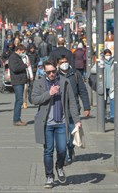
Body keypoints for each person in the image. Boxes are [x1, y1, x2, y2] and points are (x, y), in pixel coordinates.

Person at [30, 60, 81, 189]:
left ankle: (59, 166)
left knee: (63, 149)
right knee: (48, 151)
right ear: (44, 72)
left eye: (53, 71)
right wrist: (49, 93)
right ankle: (49, 176)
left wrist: (77, 120)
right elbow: (34, 99)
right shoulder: (39, 83)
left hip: (61, 122)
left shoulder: (64, 82)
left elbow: (72, 103)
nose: (52, 74)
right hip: (46, 123)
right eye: (49, 72)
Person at [57, 55, 90, 164]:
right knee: (63, 134)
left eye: (66, 61)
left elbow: (83, 91)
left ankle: (71, 148)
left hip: (73, 109)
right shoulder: (55, 75)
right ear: (58, 64)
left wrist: (87, 107)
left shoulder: (75, 74)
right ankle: (66, 155)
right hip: (60, 110)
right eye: (62, 62)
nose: (64, 63)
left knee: (72, 132)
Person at [8, 45, 30, 126]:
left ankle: (17, 118)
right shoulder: (13, 57)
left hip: (20, 80)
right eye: (22, 52)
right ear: (18, 50)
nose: (23, 53)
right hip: (17, 81)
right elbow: (15, 68)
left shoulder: (17, 57)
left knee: (19, 100)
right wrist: (25, 65)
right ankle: (16, 119)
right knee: (19, 100)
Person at [103, 49, 115, 122]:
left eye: (109, 54)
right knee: (103, 102)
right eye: (106, 55)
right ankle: (103, 116)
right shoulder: (101, 62)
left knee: (112, 101)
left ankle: (112, 116)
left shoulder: (114, 62)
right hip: (104, 85)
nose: (108, 56)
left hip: (112, 84)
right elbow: (93, 70)